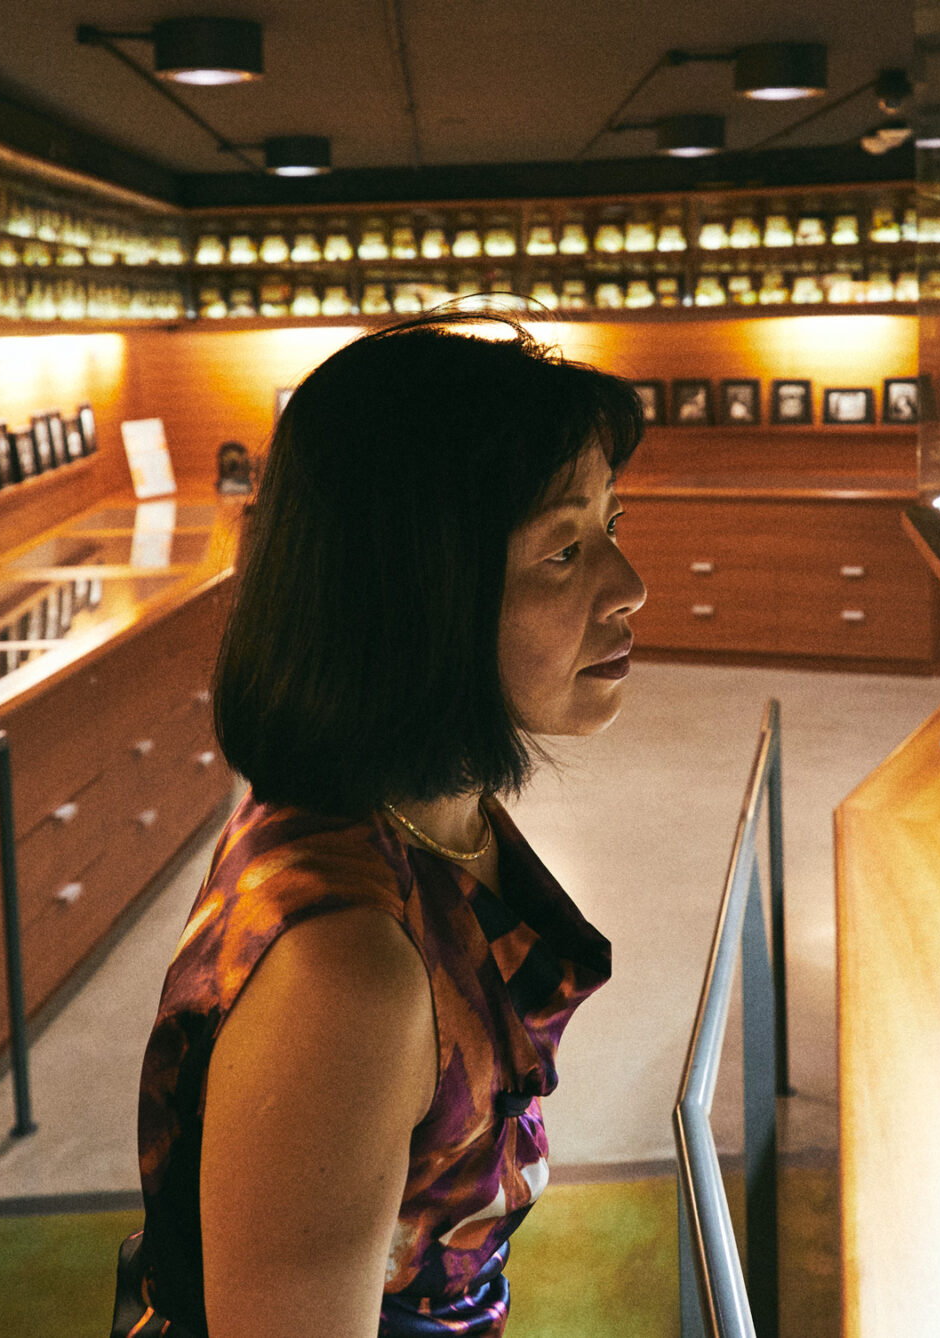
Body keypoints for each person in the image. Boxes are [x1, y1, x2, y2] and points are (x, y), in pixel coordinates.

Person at [117, 312, 648, 1338]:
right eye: (562, 552)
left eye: (612, 529)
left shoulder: (431, 817)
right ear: (419, 597)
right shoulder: (343, 980)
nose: (628, 587)